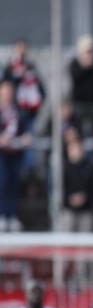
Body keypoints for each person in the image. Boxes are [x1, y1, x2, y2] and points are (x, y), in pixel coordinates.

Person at [0, 80, 32, 232]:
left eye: (9, 92)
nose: (7, 95)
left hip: (15, 152)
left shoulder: (18, 110)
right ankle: (2, 215)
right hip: (1, 153)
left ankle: (12, 215)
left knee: (14, 184)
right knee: (2, 183)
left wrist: (26, 137)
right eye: (4, 92)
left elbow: (25, 129)